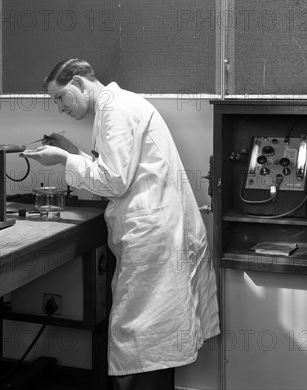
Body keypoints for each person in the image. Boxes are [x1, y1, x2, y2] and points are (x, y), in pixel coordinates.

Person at [22, 59, 220, 390]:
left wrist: (63, 160)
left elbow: (113, 182)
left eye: (61, 98)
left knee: (145, 336)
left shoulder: (115, 110)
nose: (59, 108)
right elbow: (116, 171)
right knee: (153, 336)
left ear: (82, 84)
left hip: (154, 238)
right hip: (157, 232)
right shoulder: (117, 106)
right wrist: (73, 153)